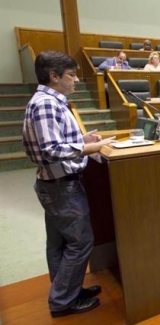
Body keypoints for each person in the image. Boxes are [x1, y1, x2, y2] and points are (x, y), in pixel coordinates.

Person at [22, 51, 116, 318]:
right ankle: (63, 300)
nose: (75, 80)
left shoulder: (47, 101)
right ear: (54, 76)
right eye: (71, 75)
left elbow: (54, 141)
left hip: (54, 183)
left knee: (60, 243)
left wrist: (82, 137)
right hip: (61, 186)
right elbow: (51, 149)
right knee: (80, 242)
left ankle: (67, 290)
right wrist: (93, 147)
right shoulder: (47, 104)